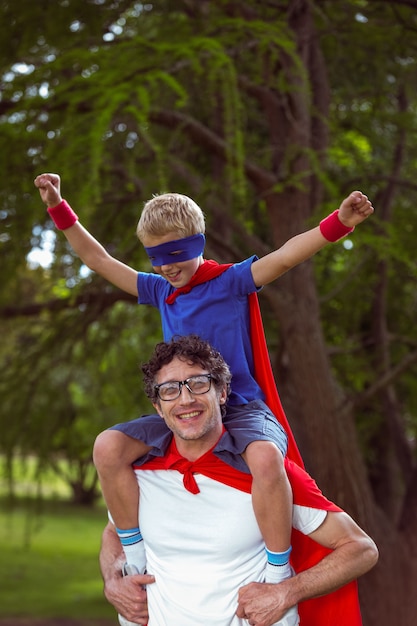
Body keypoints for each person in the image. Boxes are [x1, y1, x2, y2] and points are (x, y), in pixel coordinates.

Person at [34, 174, 373, 622]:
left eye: (174, 254)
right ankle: (135, 553)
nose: (167, 267)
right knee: (108, 446)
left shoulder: (230, 282)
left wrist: (340, 222)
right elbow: (97, 259)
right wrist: (59, 206)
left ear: (197, 243)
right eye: (157, 258)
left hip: (242, 407)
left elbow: (286, 256)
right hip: (183, 406)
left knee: (268, 460)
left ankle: (275, 568)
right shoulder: (160, 290)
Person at [99, 334, 378, 626]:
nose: (185, 399)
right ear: (158, 407)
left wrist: (286, 591)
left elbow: (361, 549)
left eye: (198, 384)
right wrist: (113, 579)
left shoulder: (266, 474)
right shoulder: (140, 471)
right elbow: (112, 534)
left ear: (221, 394)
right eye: (169, 390)